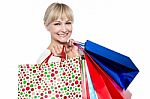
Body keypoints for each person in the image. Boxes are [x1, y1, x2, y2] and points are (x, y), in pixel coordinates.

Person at [37, 2, 132, 99]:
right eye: (57, 24)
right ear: (46, 25)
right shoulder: (45, 60)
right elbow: (62, 94)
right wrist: (68, 63)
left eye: (68, 23)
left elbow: (95, 87)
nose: (64, 29)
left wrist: (75, 58)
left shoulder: (78, 50)